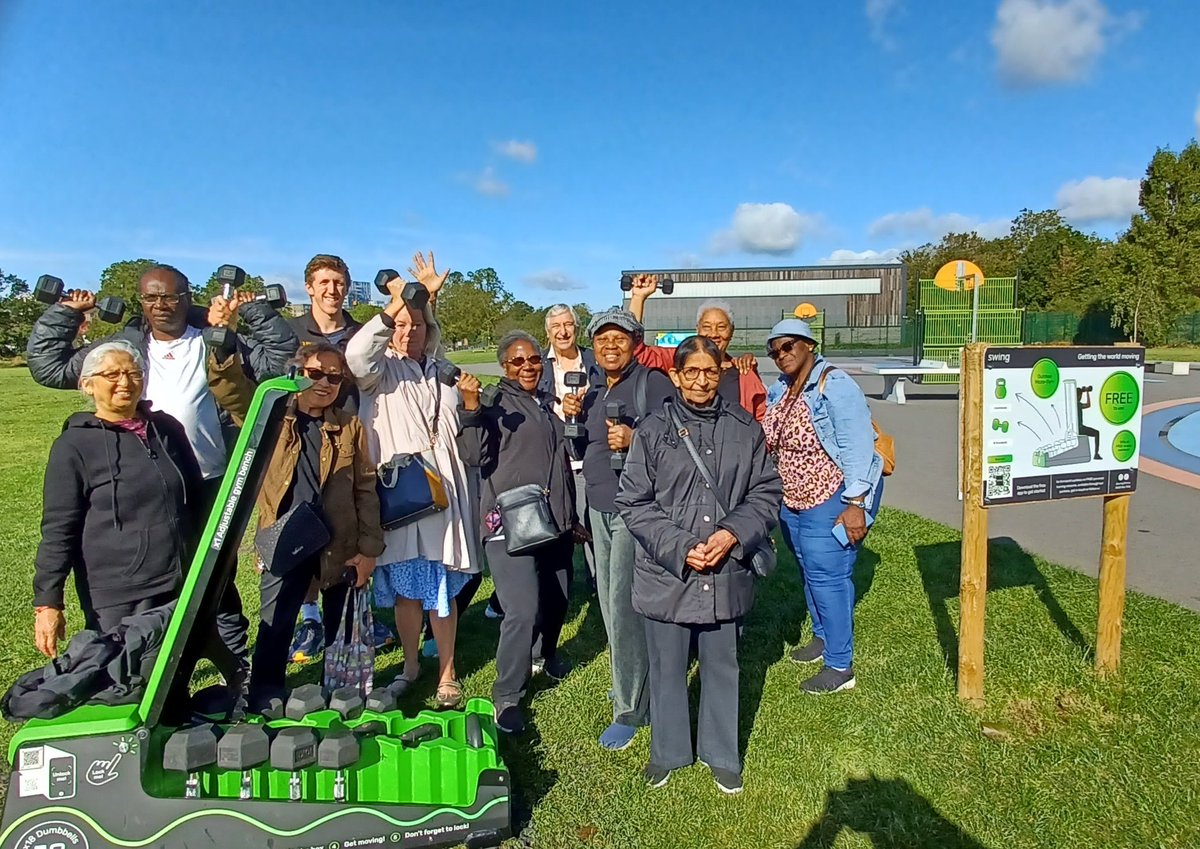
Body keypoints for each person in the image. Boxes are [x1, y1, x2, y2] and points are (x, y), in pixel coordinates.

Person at [26, 265, 299, 669]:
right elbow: (49, 365)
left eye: (170, 297)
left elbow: (279, 359)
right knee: (157, 572)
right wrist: (66, 312)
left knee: (215, 574)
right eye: (152, 298)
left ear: (187, 297)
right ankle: (149, 662)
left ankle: (235, 661)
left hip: (207, 479)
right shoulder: (125, 347)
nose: (161, 306)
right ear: (141, 303)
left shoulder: (216, 339)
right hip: (138, 484)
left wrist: (252, 311)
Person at [616, 336, 781, 794]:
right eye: (692, 371)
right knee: (667, 666)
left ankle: (721, 753)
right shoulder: (651, 431)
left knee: (722, 664)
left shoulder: (746, 428)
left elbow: (766, 492)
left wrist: (731, 534)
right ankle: (668, 752)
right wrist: (680, 545)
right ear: (676, 375)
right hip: (669, 572)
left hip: (725, 569)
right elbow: (634, 501)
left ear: (721, 373)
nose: (702, 380)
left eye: (710, 371)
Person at [209, 341, 385, 711]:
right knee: (276, 622)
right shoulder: (271, 416)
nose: (325, 383)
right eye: (316, 373)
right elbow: (232, 391)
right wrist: (224, 348)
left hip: (339, 541)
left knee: (342, 625)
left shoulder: (349, 426)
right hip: (285, 537)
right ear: (298, 373)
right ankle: (266, 694)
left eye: (335, 377)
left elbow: (365, 489)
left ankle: (343, 693)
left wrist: (368, 550)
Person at [345, 265, 479, 709]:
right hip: (402, 494)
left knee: (440, 587)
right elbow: (358, 353)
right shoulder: (379, 374)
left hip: (445, 494)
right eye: (401, 325)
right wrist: (402, 299)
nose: (408, 333)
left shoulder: (444, 371)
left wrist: (422, 302)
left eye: (417, 325)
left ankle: (446, 673)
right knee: (406, 589)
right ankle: (409, 665)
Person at [33, 341, 205, 654]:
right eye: (111, 374)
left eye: (133, 373)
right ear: (87, 385)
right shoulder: (73, 446)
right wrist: (48, 602)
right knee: (124, 684)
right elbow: (59, 528)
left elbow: (196, 497)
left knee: (174, 681)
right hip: (119, 593)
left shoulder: (166, 430)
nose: (124, 382)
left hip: (179, 578)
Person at [562, 307, 674, 750]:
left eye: (620, 339)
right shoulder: (590, 392)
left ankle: (630, 707)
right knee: (609, 599)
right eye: (602, 339)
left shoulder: (651, 383)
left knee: (623, 603)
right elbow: (581, 446)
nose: (611, 346)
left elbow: (677, 435)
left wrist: (635, 438)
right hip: (599, 507)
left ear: (635, 343)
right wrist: (571, 417)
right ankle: (628, 679)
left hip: (636, 510)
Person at [460, 332, 578, 734]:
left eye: (533, 360)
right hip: (511, 523)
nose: (527, 366)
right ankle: (507, 695)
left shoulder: (544, 402)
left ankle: (545, 655)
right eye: (517, 362)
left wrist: (570, 517)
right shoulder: (493, 402)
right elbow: (473, 456)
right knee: (522, 609)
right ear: (504, 367)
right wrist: (472, 410)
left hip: (555, 520)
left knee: (558, 597)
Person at [762, 319, 885, 694]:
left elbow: (858, 445)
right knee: (808, 571)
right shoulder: (780, 389)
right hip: (793, 499)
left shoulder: (834, 384)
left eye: (788, 346)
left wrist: (855, 503)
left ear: (809, 345)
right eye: (774, 350)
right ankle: (822, 638)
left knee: (828, 578)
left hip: (831, 497)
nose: (781, 355)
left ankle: (840, 665)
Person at [624, 274, 766, 419]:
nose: (714, 334)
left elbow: (760, 420)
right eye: (707, 327)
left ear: (732, 331)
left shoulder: (744, 371)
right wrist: (638, 298)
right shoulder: (678, 358)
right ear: (697, 329)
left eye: (721, 327)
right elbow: (633, 351)